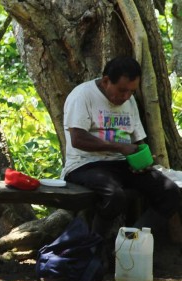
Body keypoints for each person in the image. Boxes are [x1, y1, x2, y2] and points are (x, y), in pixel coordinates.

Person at [62, 56, 179, 256]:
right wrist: (119, 147)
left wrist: (142, 161)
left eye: (131, 91)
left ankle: (129, 245)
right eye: (122, 90)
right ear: (106, 81)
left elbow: (137, 140)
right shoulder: (83, 96)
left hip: (120, 164)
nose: (126, 96)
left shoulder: (129, 101)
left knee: (170, 193)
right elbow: (78, 139)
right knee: (115, 196)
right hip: (85, 165)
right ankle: (94, 249)